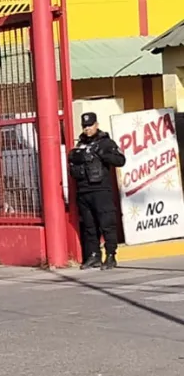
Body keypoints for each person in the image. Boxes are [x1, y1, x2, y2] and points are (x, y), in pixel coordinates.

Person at [69, 112, 125, 270]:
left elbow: (121, 160)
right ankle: (94, 255)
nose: (87, 129)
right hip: (83, 191)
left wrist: (103, 155)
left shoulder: (106, 143)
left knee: (107, 224)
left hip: (101, 190)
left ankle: (111, 256)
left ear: (96, 125)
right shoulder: (80, 144)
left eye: (90, 125)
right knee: (89, 226)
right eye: (85, 126)